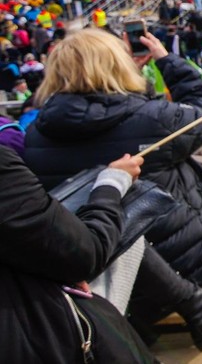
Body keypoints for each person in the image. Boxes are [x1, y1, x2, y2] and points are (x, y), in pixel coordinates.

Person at [21, 28, 202, 350]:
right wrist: (166, 60)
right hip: (195, 261)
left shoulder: (35, 133)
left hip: (101, 270)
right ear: (117, 65)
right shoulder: (152, 117)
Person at [0, 145, 156, 361]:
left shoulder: (37, 130)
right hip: (31, 338)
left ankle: (194, 302)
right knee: (128, 234)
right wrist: (112, 183)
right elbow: (86, 255)